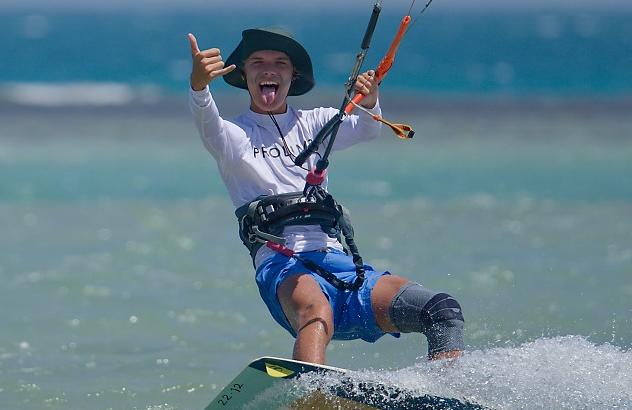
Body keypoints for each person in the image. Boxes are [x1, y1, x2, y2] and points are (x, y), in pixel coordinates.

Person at [188, 26, 465, 365]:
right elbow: (207, 122)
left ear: (293, 76)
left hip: (338, 264)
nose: (269, 70)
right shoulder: (233, 137)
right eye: (257, 62)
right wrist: (199, 86)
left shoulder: (316, 122)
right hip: (281, 265)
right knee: (317, 311)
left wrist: (371, 99)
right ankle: (311, 393)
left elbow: (366, 129)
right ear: (244, 74)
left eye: (280, 63)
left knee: (441, 309)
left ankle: (447, 391)